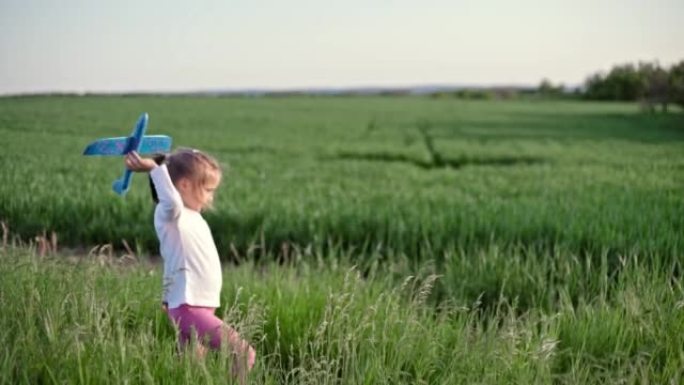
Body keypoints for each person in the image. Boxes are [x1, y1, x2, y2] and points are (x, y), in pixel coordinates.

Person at [125, 149, 256, 382]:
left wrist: (167, 296)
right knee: (243, 353)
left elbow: (179, 259)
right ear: (184, 185)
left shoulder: (193, 217)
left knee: (189, 371)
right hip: (189, 307)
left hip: (201, 305)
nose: (211, 197)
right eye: (207, 190)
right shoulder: (170, 215)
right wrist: (155, 170)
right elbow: (172, 200)